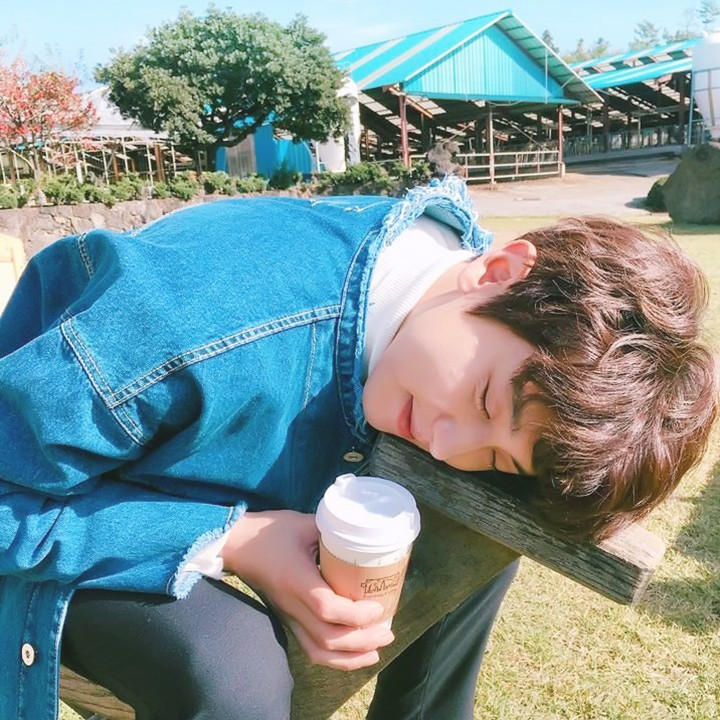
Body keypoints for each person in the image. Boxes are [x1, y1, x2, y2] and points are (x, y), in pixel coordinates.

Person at [0, 177, 716, 720]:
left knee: (474, 524)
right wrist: (230, 540)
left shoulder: (452, 305)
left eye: (498, 453)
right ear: (499, 272)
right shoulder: (190, 322)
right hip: (47, 498)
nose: (446, 442)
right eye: (484, 401)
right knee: (236, 673)